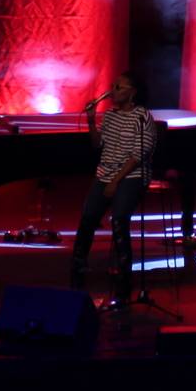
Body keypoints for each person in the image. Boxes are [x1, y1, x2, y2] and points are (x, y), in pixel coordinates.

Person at [70, 70, 154, 308]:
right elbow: (98, 146)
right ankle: (78, 265)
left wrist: (116, 181)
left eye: (120, 87)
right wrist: (90, 121)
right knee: (88, 217)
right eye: (113, 86)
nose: (113, 91)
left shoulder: (142, 117)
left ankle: (124, 275)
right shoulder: (109, 116)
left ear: (132, 93)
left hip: (131, 175)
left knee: (119, 219)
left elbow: (139, 155)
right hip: (105, 173)